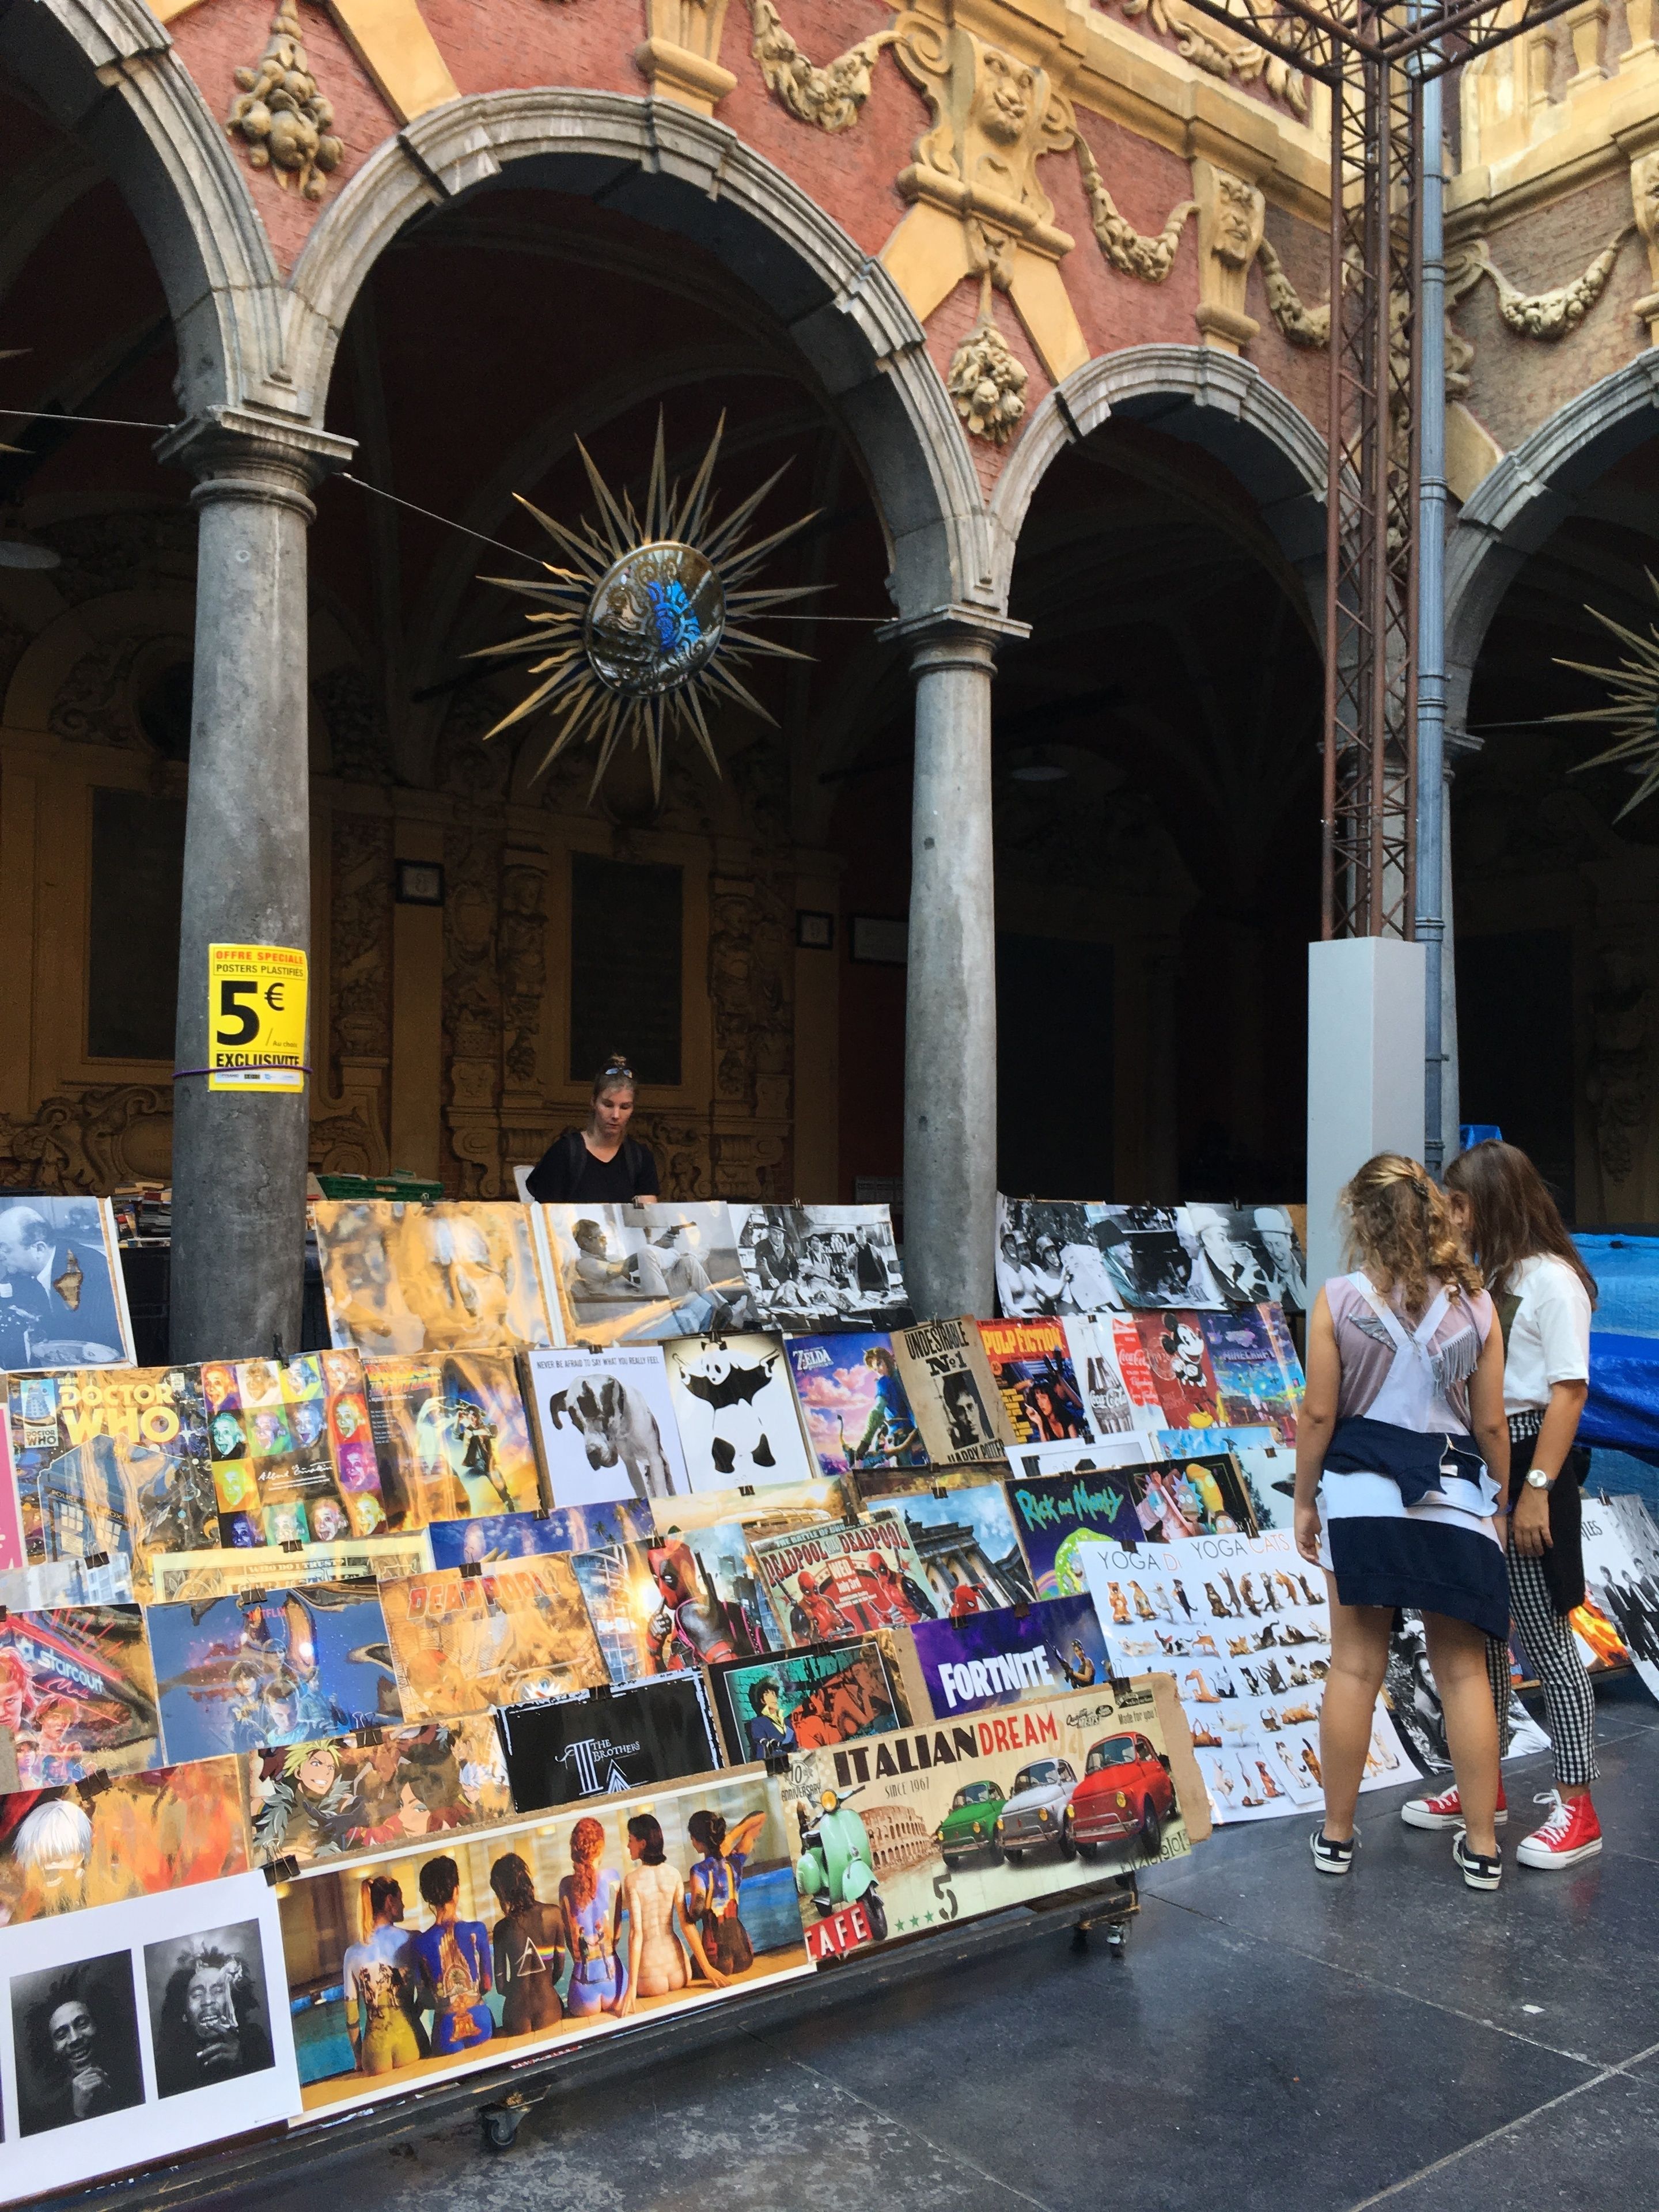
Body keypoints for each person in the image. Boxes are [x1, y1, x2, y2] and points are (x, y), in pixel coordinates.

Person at [1293, 1154, 1511, 1889]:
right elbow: (1489, 1427)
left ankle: (1337, 1834)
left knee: (1355, 1665)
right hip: (1455, 1497)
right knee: (1462, 1670)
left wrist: (1301, 1499)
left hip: (1359, 1496)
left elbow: (1320, 1413)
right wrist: (1501, 1502)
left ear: (1362, 1218)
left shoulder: (1338, 1301)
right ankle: (1482, 1845)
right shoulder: (1478, 1307)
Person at [1397, 1141, 1603, 1869]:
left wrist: (1537, 1491)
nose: (1450, 1214)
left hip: (1527, 1462)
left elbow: (1568, 1393)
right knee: (1476, 1638)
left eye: (1460, 1201)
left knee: (1545, 1642)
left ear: (1492, 1200)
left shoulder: (1552, 1282)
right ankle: (1483, 1786)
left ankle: (1577, 1806)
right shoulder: (1486, 1275)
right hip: (1478, 1462)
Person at [617, 1813, 725, 2014]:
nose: (628, 1846)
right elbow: (686, 1924)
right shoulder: (673, 1874)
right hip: (681, 1971)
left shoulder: (633, 1880)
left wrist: (631, 1987)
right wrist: (707, 1968)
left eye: (630, 1841)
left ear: (642, 1843)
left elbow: (636, 1934)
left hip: (650, 1978)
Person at [525, 1057, 658, 1204]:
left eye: (625, 1107)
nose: (616, 1115)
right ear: (593, 1102)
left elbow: (648, 1218)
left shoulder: (640, 1158)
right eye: (608, 1105)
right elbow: (549, 1217)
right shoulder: (564, 1153)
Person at [152, 1941, 274, 2097]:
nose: (208, 2001)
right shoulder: (168, 2064)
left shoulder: (254, 2040)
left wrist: (243, 2062)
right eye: (197, 1994)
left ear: (233, 2004)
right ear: (184, 2012)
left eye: (218, 1991)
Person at [342, 1874, 429, 2074]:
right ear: (390, 1901)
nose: (404, 1905)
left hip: (375, 2051)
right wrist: (412, 2015)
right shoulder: (412, 1940)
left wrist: (359, 2058)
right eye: (401, 1898)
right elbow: (426, 1996)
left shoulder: (352, 1953)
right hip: (411, 2039)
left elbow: (351, 2017)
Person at [408, 1854, 492, 2055]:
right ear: (456, 1891)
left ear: (427, 1898)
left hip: (445, 2031)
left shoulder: (420, 1943)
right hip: (480, 2020)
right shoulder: (477, 1930)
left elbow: (426, 2000)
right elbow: (487, 1985)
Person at [488, 1853, 569, 2036]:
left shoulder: (502, 1928)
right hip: (549, 2009)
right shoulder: (554, 1915)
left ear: (502, 1892)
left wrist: (520, 1991)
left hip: (516, 2015)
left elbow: (500, 1987)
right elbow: (559, 1969)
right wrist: (544, 1985)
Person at [558, 1815, 627, 2017]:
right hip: (616, 1984)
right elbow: (616, 1936)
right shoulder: (613, 1878)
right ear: (601, 1846)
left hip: (583, 1988)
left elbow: (571, 1943)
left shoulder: (565, 1886)